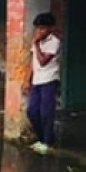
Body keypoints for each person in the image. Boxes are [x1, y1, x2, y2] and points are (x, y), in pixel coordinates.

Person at [23, 12, 61, 153]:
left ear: (51, 28)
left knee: (46, 112)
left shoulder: (54, 42)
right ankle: (42, 138)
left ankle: (47, 141)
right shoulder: (37, 41)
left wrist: (36, 44)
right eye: (38, 28)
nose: (39, 31)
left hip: (49, 79)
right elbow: (33, 63)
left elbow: (43, 61)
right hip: (37, 80)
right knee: (32, 111)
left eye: (43, 28)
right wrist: (27, 80)